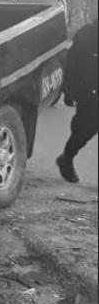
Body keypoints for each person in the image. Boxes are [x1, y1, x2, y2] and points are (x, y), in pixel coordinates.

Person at [56, 9, 98, 183]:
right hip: (89, 92)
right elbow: (71, 64)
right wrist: (68, 91)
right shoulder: (86, 36)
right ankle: (66, 158)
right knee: (83, 130)